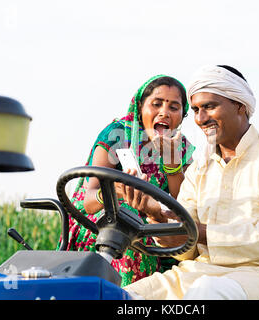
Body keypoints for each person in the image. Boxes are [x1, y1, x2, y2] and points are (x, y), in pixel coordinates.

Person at [123, 65, 259, 300]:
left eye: (209, 107)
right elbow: (185, 251)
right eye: (195, 110)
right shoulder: (199, 168)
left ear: (240, 105)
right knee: (120, 296)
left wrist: (201, 232)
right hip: (195, 274)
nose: (201, 119)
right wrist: (156, 216)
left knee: (206, 293)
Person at [60, 74, 196, 287]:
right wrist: (118, 191)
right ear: (141, 107)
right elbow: (89, 201)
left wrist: (172, 163)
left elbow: (184, 203)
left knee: (195, 265)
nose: (164, 113)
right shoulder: (118, 133)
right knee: (131, 248)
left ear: (182, 114)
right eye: (157, 104)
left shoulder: (181, 147)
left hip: (154, 225)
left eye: (174, 107)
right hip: (102, 224)